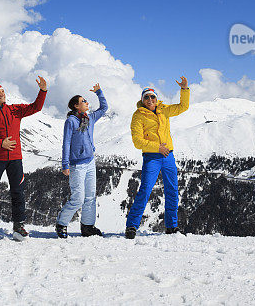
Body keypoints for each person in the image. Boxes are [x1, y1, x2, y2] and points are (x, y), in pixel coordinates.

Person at [0, 77, 47, 241]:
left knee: (18, 192)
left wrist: (42, 91)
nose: (2, 94)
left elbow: (36, 107)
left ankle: (18, 227)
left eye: (3, 91)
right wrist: (1, 143)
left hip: (15, 159)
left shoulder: (15, 110)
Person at [124, 76, 189, 239]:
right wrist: (157, 147)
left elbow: (183, 107)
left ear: (156, 99)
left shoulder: (164, 109)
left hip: (168, 156)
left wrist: (184, 89)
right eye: (146, 97)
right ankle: (131, 226)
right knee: (145, 190)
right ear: (142, 100)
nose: (150, 99)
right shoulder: (138, 116)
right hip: (152, 157)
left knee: (172, 190)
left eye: (152, 96)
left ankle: (172, 227)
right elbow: (138, 141)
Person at [55, 83, 108, 238]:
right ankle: (62, 223)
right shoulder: (71, 121)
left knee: (90, 196)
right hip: (77, 165)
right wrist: (65, 164)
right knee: (78, 198)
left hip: (90, 162)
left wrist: (99, 92)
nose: (87, 102)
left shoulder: (90, 118)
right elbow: (66, 143)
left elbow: (104, 108)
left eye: (86, 100)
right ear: (76, 106)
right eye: (83, 101)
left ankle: (87, 227)